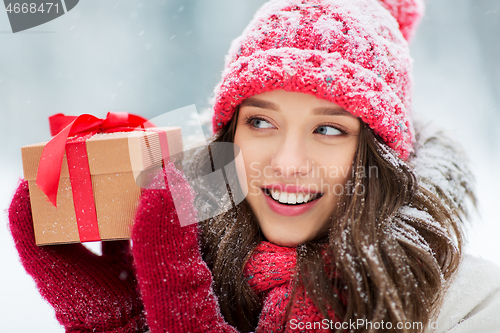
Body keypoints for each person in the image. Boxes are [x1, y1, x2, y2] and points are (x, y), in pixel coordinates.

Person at [8, 0, 500, 332]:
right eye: (261, 121)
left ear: (378, 157)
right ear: (229, 135)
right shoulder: (184, 265)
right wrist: (122, 321)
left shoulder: (466, 306)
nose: (287, 163)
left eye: (328, 129)